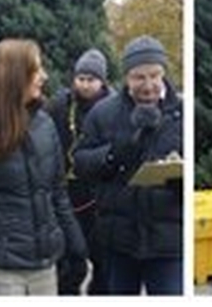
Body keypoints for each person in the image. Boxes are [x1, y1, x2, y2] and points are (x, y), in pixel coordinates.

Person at [0, 39, 86, 295]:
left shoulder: (46, 124)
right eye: (36, 70)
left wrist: (76, 244)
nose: (43, 77)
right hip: (1, 263)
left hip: (45, 262)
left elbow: (57, 192)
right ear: (13, 76)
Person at [73, 35, 183, 295]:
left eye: (154, 75)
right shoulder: (103, 113)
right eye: (139, 77)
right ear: (126, 78)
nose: (148, 86)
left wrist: (180, 176)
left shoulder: (182, 113)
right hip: (117, 242)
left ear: (163, 73)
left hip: (168, 243)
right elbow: (81, 163)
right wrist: (113, 154)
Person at [44, 48, 113, 295]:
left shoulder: (112, 107)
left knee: (103, 260)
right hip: (65, 194)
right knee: (70, 260)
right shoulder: (59, 105)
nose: (84, 85)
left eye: (91, 80)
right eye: (80, 79)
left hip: (99, 196)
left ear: (102, 81)